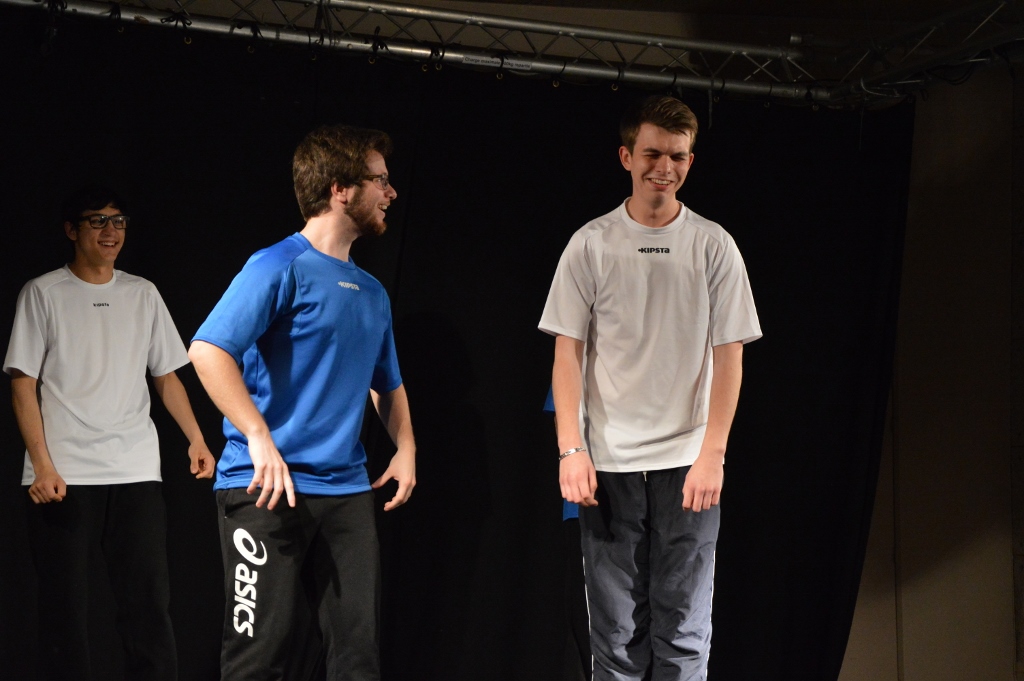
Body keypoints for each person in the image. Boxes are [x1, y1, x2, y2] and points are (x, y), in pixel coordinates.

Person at [539, 95, 762, 681]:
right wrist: (571, 448)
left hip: (687, 461)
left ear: (691, 161)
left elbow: (730, 356)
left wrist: (713, 454)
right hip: (607, 461)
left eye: (678, 156)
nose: (665, 167)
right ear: (626, 157)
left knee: (684, 628)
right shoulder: (591, 242)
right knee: (615, 634)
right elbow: (566, 353)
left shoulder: (713, 244)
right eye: (653, 154)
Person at [188, 123, 416, 680]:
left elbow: (386, 382)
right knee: (259, 658)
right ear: (340, 188)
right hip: (264, 489)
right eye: (380, 180)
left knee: (357, 659)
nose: (391, 193)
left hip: (345, 492)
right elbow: (208, 350)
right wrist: (258, 436)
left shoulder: (372, 292)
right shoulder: (278, 265)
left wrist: (406, 447)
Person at [4, 185, 216, 681]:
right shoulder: (43, 292)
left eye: (118, 221)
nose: (110, 231)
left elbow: (166, 375)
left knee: (148, 605)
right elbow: (22, 384)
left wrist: (196, 437)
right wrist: (43, 466)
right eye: (97, 220)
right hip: (64, 474)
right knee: (64, 612)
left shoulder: (143, 293)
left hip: (134, 469)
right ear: (71, 230)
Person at [545, 386, 592, 681]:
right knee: (590, 624)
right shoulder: (573, 361)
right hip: (587, 506)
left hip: (655, 499)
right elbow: (560, 415)